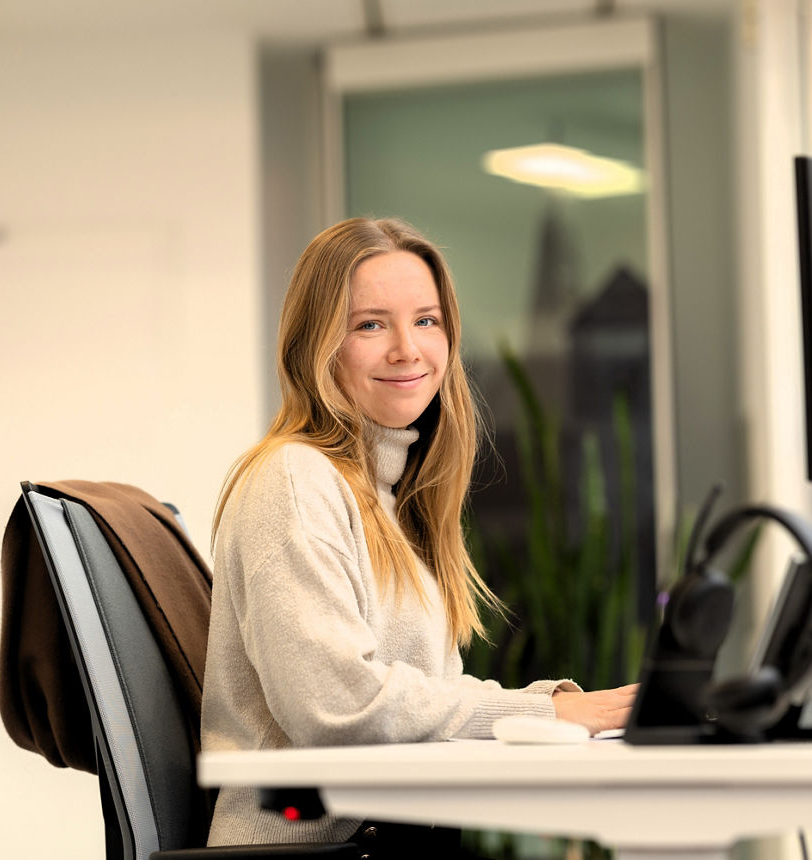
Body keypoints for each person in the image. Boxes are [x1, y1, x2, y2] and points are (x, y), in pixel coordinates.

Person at [200, 217, 636, 849]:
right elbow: (336, 708)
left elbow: (422, 700)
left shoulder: (396, 496)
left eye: (426, 320)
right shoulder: (294, 480)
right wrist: (543, 712)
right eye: (370, 324)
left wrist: (558, 706)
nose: (408, 349)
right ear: (314, 346)